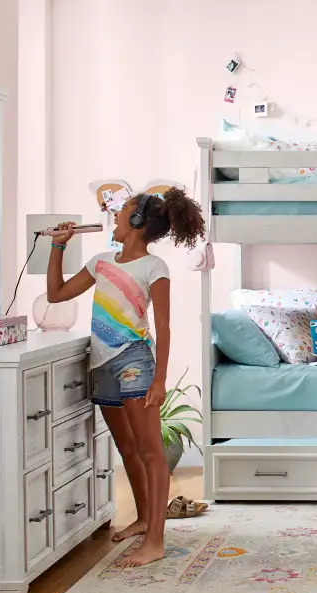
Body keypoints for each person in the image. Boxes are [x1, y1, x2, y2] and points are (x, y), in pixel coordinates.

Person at [47, 190, 205, 567]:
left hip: (134, 361)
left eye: (123, 213)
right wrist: (58, 247)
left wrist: (159, 379)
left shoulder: (155, 267)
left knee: (151, 452)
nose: (116, 218)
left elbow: (164, 327)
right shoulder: (100, 262)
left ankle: (156, 540)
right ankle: (144, 519)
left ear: (137, 224)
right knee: (127, 449)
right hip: (102, 363)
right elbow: (55, 295)